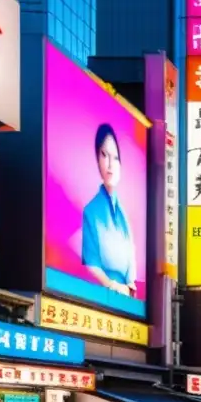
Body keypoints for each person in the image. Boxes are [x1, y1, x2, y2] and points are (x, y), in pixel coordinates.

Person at [81, 122, 136, 297]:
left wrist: (128, 286)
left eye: (116, 157)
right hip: (101, 298)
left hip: (127, 305)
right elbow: (91, 265)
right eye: (104, 155)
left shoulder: (124, 216)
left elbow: (131, 272)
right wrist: (114, 286)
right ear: (97, 159)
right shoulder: (91, 212)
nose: (111, 164)